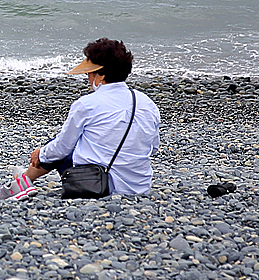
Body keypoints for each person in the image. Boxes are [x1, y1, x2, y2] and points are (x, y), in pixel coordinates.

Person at [14, 38, 161, 195]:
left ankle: (23, 180)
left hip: (97, 184)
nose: (89, 79)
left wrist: (40, 153)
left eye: (89, 74)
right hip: (139, 186)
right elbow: (153, 148)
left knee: (59, 147)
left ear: (101, 75)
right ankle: (24, 179)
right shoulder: (147, 103)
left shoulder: (87, 104)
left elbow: (61, 148)